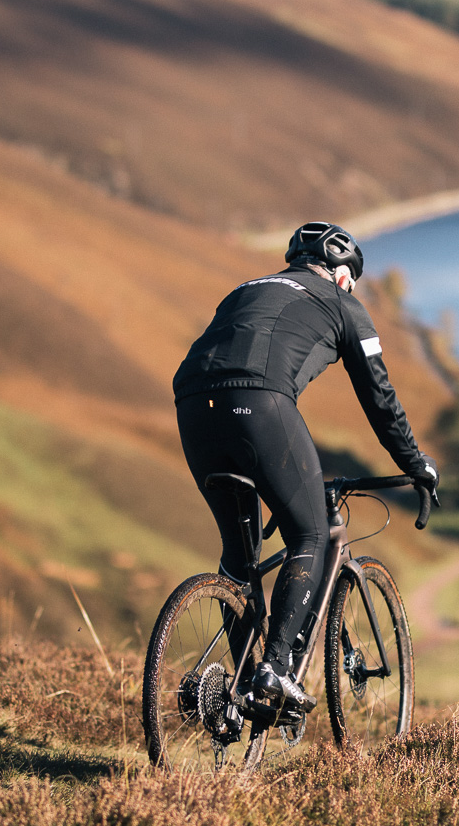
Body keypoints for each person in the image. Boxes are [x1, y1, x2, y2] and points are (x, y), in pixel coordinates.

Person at [172, 221, 438, 713]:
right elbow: (379, 397)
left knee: (239, 554)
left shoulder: (246, 289)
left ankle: (239, 694)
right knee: (310, 535)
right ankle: (272, 671)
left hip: (191, 405)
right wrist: (415, 463)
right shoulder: (343, 303)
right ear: (342, 275)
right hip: (260, 405)